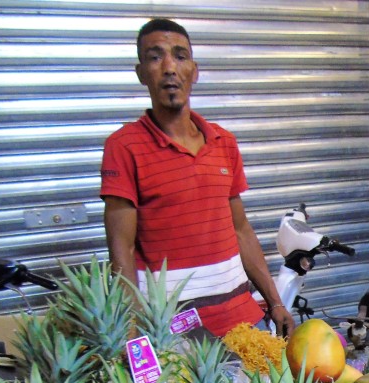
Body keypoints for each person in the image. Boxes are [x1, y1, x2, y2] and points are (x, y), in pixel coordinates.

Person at [100, 18, 295, 337]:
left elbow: (240, 229)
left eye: (179, 56)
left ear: (194, 70)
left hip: (243, 323)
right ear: (140, 74)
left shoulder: (224, 142)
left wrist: (275, 302)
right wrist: (132, 332)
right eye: (154, 56)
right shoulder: (124, 147)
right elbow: (120, 248)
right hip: (174, 333)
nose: (168, 67)